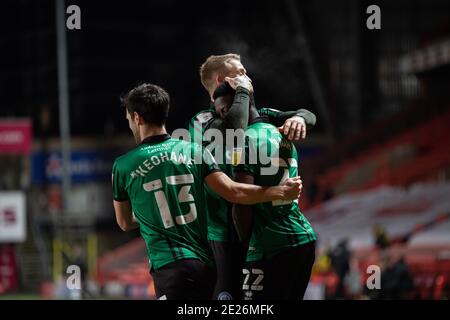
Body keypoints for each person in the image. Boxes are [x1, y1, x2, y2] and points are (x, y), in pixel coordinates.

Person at [112, 83, 302, 300]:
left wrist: (154, 211)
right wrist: (279, 192)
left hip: (169, 268)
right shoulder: (195, 151)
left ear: (137, 118)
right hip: (206, 267)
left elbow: (125, 222)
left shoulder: (124, 165)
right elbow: (233, 191)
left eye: (129, 120)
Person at [190, 53, 317, 300]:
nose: (247, 77)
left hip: (258, 234)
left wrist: (300, 119)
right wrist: (243, 92)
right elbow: (235, 130)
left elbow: (307, 114)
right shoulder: (203, 121)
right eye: (240, 72)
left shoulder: (262, 114)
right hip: (224, 235)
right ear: (220, 80)